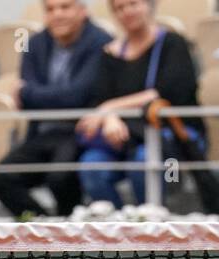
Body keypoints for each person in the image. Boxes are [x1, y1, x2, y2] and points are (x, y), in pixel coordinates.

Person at [0, 0, 111, 218]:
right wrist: (36, 96)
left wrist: (29, 93)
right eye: (50, 9)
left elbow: (76, 97)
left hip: (80, 132)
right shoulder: (34, 44)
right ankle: (42, 229)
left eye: (65, 7)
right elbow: (26, 103)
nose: (57, 15)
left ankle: (69, 234)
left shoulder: (101, 42)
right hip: (42, 133)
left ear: (82, 11)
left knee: (60, 178)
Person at [76, 0, 203, 208]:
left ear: (150, 5)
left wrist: (109, 109)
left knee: (143, 160)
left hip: (169, 134)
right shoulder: (109, 52)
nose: (126, 12)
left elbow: (165, 94)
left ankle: (150, 227)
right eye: (119, 8)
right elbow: (100, 99)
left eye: (133, 4)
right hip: (123, 137)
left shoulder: (173, 44)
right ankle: (116, 230)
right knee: (92, 165)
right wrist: (109, 117)